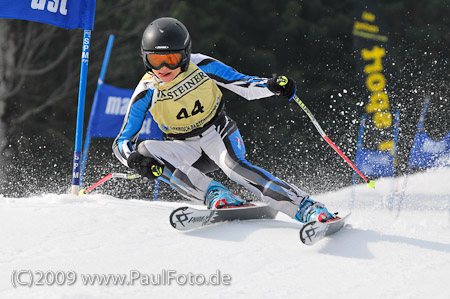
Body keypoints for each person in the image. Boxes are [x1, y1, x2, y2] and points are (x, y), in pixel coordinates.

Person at [113, 17, 337, 224]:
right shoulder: (146, 91)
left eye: (171, 60)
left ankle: (306, 207)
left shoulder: (201, 65)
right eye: (155, 60)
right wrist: (133, 160)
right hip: (183, 146)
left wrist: (271, 86)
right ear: (145, 59)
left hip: (216, 133)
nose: (163, 69)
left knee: (235, 169)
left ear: (185, 55)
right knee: (145, 150)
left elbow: (244, 84)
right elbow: (122, 141)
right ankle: (214, 193)